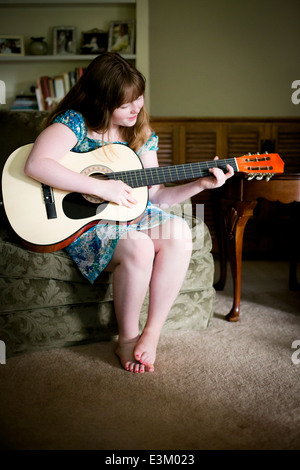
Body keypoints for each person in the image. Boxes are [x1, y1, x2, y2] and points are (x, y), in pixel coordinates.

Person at [24, 52, 234, 373]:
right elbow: (37, 163)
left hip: (134, 216)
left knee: (178, 231)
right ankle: (127, 339)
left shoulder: (141, 135)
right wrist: (100, 187)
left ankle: (151, 333)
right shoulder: (75, 123)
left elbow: (158, 196)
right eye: (125, 105)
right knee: (139, 245)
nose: (136, 108)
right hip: (84, 221)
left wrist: (201, 183)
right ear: (101, 102)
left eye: (138, 98)